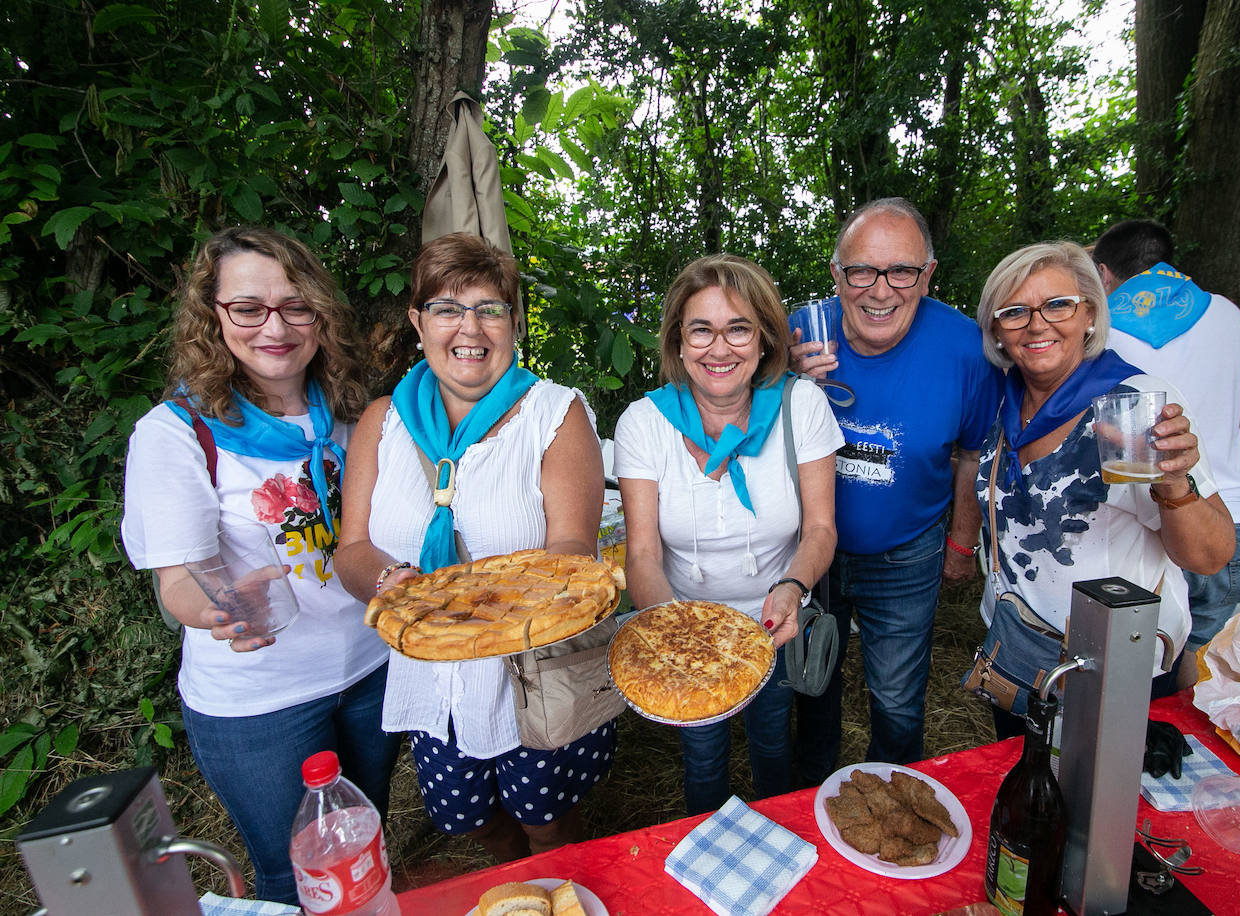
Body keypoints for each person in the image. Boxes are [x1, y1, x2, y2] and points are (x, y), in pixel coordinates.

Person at [121, 226, 399, 904]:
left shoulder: (346, 415)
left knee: (364, 854)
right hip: (261, 701)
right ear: (213, 317)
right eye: (248, 308)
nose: (274, 326)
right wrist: (221, 607)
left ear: (319, 315)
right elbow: (177, 582)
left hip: (372, 669)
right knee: (295, 877)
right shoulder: (177, 433)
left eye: (294, 306)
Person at [335, 232, 612, 860]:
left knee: (545, 816)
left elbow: (572, 545)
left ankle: (553, 877)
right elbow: (352, 549)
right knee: (464, 819)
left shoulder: (555, 413)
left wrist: (490, 595)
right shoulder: (383, 421)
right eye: (447, 309)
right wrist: (392, 582)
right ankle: (514, 875)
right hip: (430, 667)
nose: (471, 327)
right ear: (417, 322)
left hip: (529, 667)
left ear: (514, 323)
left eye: (490, 308)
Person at [973, 241, 1235, 737]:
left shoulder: (1132, 404)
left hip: (1113, 661)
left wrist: (1174, 481)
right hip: (1019, 648)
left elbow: (1210, 555)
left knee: (1099, 807)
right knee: (1025, 789)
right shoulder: (1000, 399)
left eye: (1057, 304)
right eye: (1014, 312)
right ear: (997, 331)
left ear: (1090, 313)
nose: (1036, 324)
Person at [615, 254, 843, 815]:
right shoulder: (644, 423)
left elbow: (820, 529)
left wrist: (791, 587)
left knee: (770, 740)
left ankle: (779, 837)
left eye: (738, 328)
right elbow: (642, 553)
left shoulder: (801, 406)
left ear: (765, 338)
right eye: (702, 330)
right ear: (678, 341)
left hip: (773, 623)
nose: (720, 349)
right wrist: (678, 637)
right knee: (703, 755)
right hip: (680, 622)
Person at [789, 198, 999, 775]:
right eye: (861, 271)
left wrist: (961, 542)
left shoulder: (967, 350)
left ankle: (894, 791)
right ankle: (812, 801)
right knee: (811, 685)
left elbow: (974, 451)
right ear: (837, 274)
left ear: (927, 276)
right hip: (809, 552)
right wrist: (783, 387)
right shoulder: (799, 335)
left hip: (906, 554)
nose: (880, 291)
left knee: (898, 697)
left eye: (901, 271)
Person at [1092, 219, 1240, 690]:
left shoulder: (1098, 324)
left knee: (1140, 675)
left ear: (1104, 275)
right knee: (1205, 674)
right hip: (1235, 509)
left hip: (1153, 521)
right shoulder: (1230, 316)